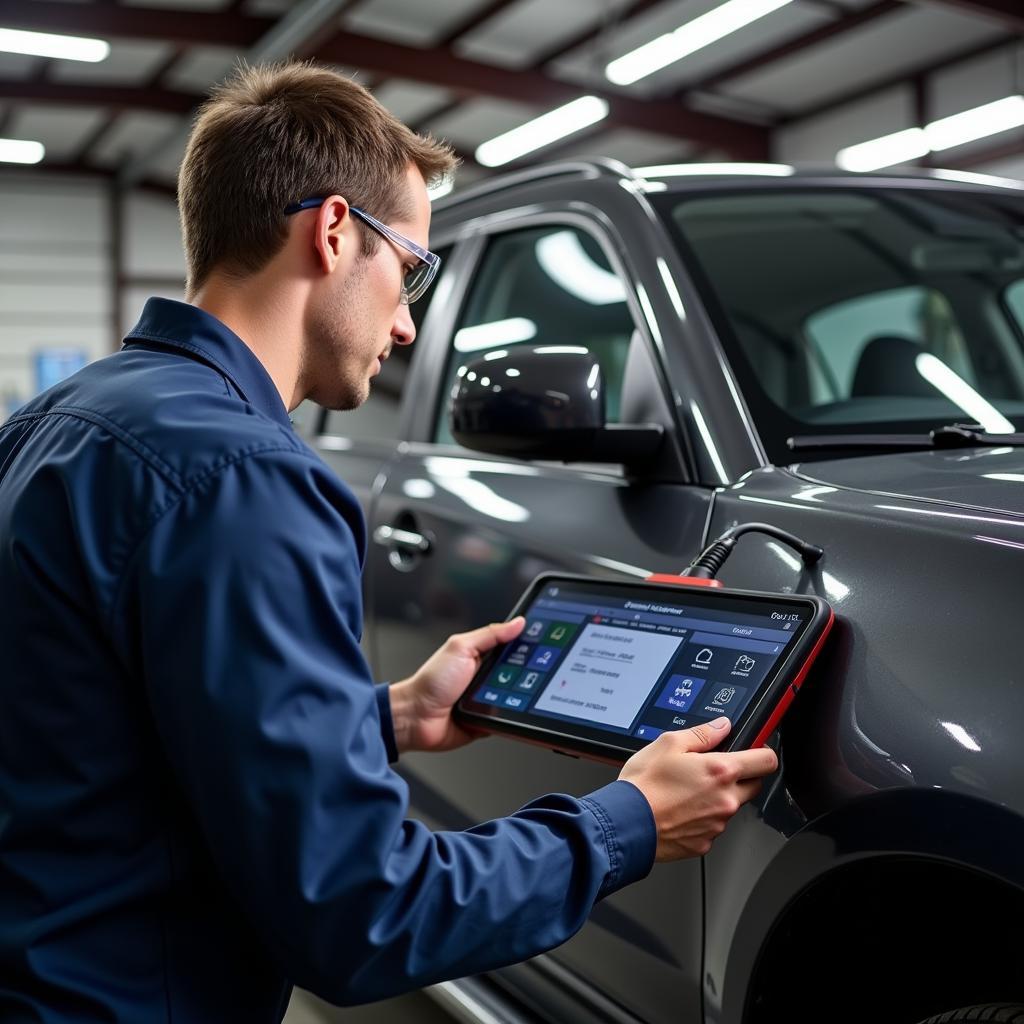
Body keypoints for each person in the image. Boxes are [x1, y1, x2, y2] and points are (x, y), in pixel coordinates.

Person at [0, 61, 778, 1022]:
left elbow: (106, 735)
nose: (409, 324)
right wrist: (628, 823)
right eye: (411, 270)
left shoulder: (56, 422)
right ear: (334, 233)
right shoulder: (246, 479)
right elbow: (358, 914)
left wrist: (390, 717)